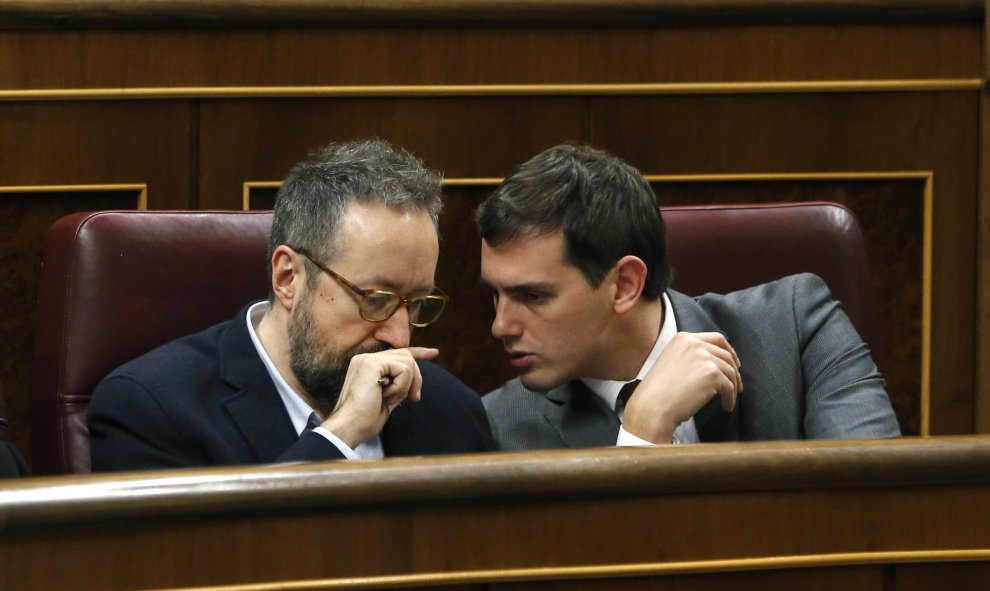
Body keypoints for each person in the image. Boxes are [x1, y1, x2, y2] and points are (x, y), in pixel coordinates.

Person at [89, 139, 493, 471]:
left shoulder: (449, 410)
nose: (400, 335)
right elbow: (212, 564)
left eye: (417, 303)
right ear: (288, 278)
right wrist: (341, 433)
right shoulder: (153, 410)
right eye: (376, 300)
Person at [476, 143, 900, 450]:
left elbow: (873, 509)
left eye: (532, 295)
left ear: (624, 285)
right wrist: (640, 436)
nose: (501, 326)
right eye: (495, 295)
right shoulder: (499, 428)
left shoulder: (797, 327)